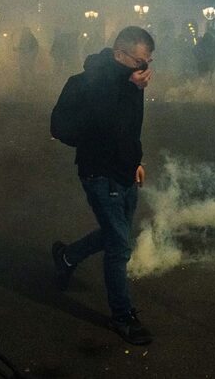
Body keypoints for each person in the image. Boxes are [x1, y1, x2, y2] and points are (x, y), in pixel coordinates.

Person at [52, 25, 155, 345]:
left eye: (148, 61)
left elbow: (129, 128)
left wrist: (136, 160)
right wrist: (128, 88)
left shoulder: (132, 80)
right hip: (99, 173)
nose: (145, 68)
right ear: (119, 54)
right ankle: (122, 317)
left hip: (125, 170)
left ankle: (67, 257)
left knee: (117, 232)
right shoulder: (89, 83)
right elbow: (83, 124)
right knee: (119, 246)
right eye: (139, 61)